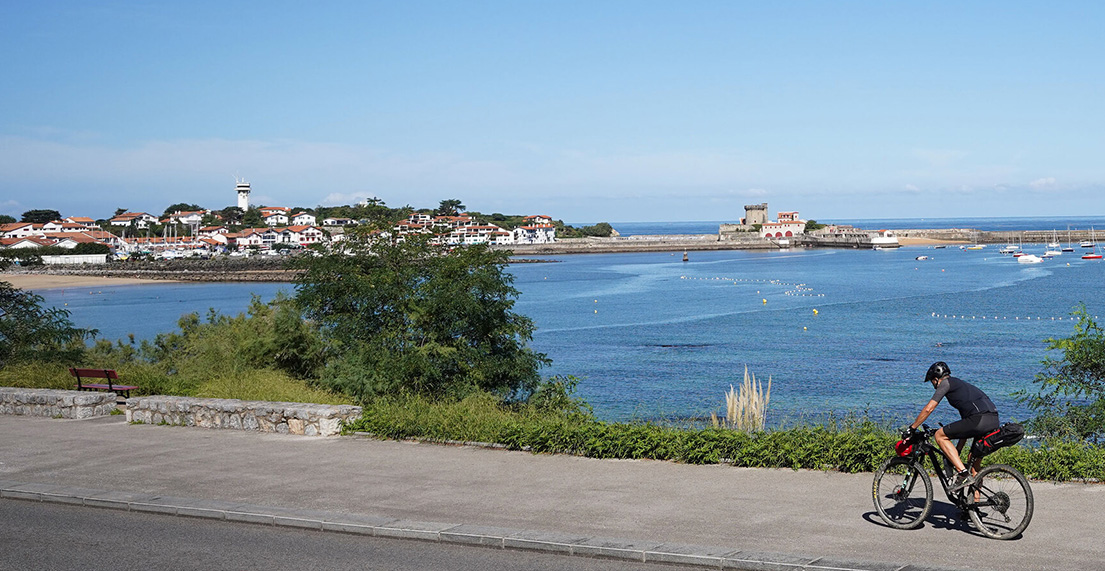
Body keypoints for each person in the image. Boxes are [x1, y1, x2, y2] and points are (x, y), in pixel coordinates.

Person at [906, 361, 999, 494]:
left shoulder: (945, 383)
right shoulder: (961, 386)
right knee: (974, 465)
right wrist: (958, 450)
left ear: (936, 379)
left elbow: (929, 408)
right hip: (993, 418)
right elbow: (966, 424)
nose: (933, 385)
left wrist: (912, 427)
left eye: (932, 382)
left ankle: (963, 474)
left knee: (939, 435)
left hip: (979, 419)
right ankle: (973, 509)